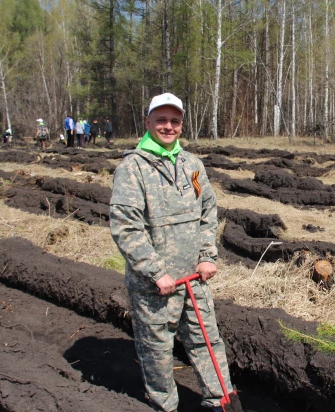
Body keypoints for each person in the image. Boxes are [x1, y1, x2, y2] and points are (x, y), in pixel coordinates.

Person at [110, 92, 235, 412]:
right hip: (156, 285)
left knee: (207, 342)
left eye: (175, 121)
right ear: (148, 121)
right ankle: (164, 406)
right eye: (162, 120)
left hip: (195, 278)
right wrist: (155, 271)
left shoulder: (192, 164)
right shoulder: (133, 168)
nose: (168, 126)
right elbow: (126, 227)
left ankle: (222, 401)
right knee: (157, 350)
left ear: (182, 124)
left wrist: (208, 255)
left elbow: (208, 212)